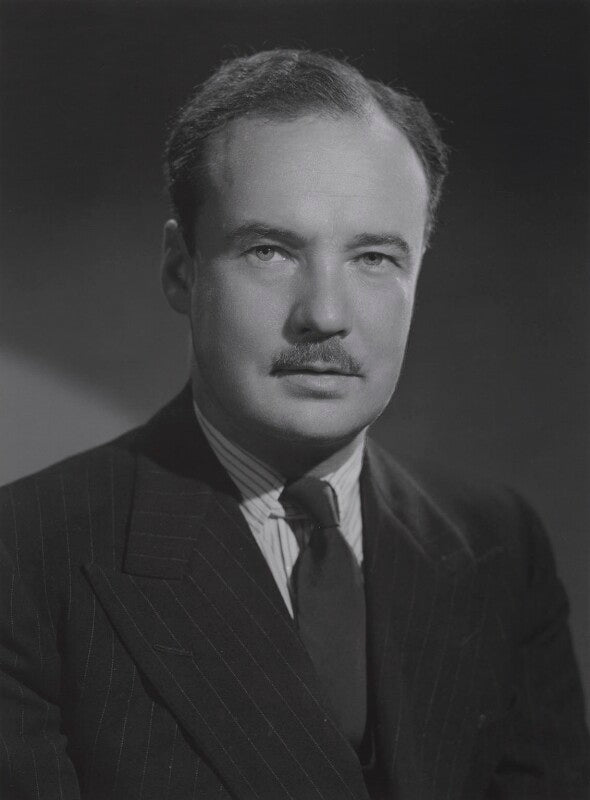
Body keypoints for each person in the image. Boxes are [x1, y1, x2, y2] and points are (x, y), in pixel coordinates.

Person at [1, 49, 588, 800]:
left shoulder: (497, 545)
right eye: (270, 251)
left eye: (374, 257)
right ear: (181, 269)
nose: (326, 314)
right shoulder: (25, 560)